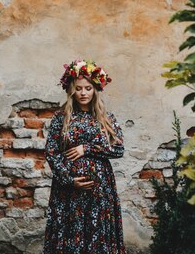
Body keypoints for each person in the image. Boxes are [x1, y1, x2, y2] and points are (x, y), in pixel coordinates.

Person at [43, 59, 126, 254]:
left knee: (98, 232)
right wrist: (70, 179)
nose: (83, 93)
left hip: (100, 191)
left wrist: (86, 148)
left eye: (88, 88)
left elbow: (118, 149)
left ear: (95, 89)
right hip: (68, 191)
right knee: (71, 232)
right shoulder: (61, 118)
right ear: (71, 89)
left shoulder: (106, 118)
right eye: (78, 88)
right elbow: (51, 152)